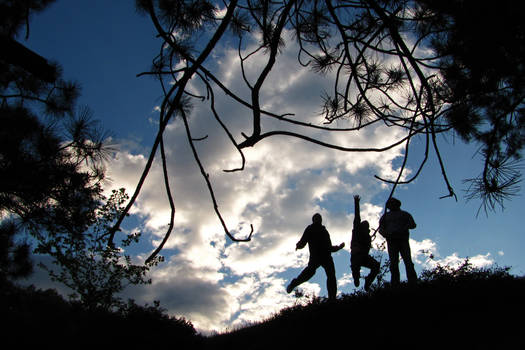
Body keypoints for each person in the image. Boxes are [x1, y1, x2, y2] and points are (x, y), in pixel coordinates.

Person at [286, 213, 345, 300]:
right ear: (313, 220)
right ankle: (294, 284)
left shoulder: (324, 231)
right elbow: (303, 240)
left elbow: (329, 247)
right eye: (316, 218)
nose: (318, 220)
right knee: (309, 272)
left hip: (326, 256)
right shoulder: (310, 229)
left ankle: (332, 298)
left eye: (319, 218)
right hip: (316, 256)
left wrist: (339, 247)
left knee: (331, 276)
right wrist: (299, 245)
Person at [379, 197, 417, 285]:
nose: (392, 205)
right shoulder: (385, 216)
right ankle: (395, 284)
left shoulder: (404, 214)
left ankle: (413, 282)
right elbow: (381, 229)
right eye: (390, 204)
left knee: (408, 261)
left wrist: (403, 228)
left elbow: (413, 224)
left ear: (397, 204)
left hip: (402, 239)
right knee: (393, 263)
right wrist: (386, 234)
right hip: (391, 241)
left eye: (393, 203)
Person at [350, 195, 380, 291]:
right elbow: (357, 216)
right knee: (355, 267)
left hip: (364, 256)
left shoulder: (367, 236)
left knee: (376, 266)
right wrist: (356, 203)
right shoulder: (357, 230)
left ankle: (368, 281)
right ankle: (356, 277)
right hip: (356, 256)